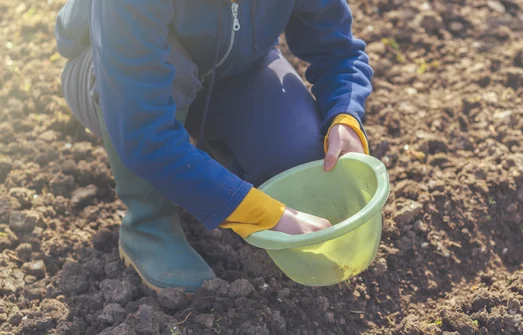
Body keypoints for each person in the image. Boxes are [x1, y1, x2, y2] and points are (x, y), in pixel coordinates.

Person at [55, 0, 373, 292]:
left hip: (236, 70)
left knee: (298, 154)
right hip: (119, 80)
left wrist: (345, 116)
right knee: (172, 77)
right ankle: (149, 224)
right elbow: (143, 133)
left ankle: (207, 170)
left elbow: (338, 51)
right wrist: (262, 214)